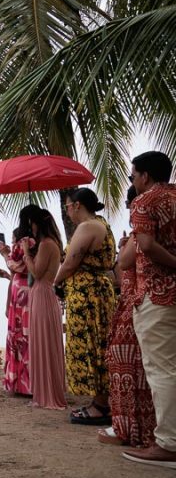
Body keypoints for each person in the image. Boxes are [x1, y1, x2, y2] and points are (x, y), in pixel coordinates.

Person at [122, 151, 176, 468]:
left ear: (144, 176)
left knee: (162, 370)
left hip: (157, 294)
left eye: (132, 177)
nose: (133, 182)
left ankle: (168, 442)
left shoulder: (145, 201)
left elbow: (146, 244)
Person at [54, 188, 117, 424]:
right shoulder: (100, 224)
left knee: (91, 344)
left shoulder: (88, 226)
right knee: (97, 341)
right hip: (94, 291)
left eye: (67, 206)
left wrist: (56, 283)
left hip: (88, 294)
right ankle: (101, 401)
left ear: (77, 205)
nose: (67, 210)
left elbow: (70, 263)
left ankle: (101, 405)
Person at [100, 186, 155, 447]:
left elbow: (124, 264)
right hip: (148, 298)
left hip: (138, 299)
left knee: (126, 362)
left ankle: (130, 426)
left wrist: (126, 248)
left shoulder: (142, 231)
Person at [23, 209, 67, 410]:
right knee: (44, 342)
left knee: (43, 342)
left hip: (42, 292)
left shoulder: (46, 244)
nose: (31, 227)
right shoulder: (52, 244)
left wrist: (26, 253)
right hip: (44, 293)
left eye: (32, 223)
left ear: (38, 224)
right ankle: (45, 391)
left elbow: (37, 272)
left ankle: (47, 394)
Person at [0, 223, 34, 396]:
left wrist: (5, 254)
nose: (12, 243)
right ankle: (25, 382)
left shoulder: (26, 245)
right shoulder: (35, 243)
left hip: (22, 295)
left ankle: (22, 383)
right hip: (23, 292)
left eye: (13, 239)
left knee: (20, 337)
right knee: (24, 337)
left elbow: (17, 267)